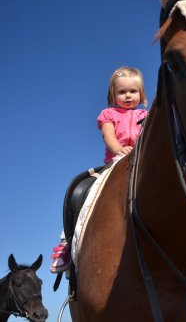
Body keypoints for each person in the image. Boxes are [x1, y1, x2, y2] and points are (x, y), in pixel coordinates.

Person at [50, 66, 148, 274]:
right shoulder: (108, 114)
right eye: (122, 92)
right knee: (85, 195)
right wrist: (119, 150)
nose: (128, 95)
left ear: (141, 94)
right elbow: (108, 136)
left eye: (133, 91)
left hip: (142, 164)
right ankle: (67, 243)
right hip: (115, 163)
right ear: (113, 95)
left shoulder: (146, 115)